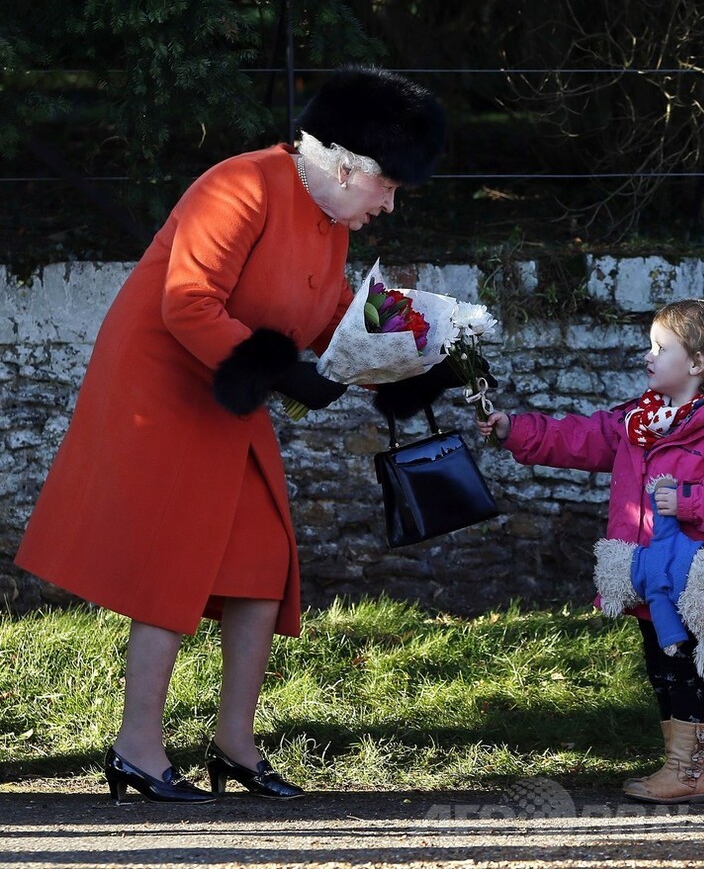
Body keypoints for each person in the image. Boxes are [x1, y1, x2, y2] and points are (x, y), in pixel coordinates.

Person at [15, 65, 456, 803]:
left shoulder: (328, 217)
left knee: (260, 563)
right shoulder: (241, 184)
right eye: (389, 185)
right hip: (162, 384)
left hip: (228, 388)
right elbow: (188, 304)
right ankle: (136, 749)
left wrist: (421, 357)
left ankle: (234, 746)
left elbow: (329, 316)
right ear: (348, 165)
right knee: (175, 562)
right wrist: (284, 375)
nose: (390, 203)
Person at [476, 298, 704, 804]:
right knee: (660, 667)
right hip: (644, 572)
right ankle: (678, 764)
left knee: (678, 666)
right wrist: (515, 429)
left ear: (699, 363)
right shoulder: (642, 421)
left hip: (688, 578)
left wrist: (688, 500)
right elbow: (583, 438)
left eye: (660, 347)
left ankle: (687, 774)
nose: (647, 356)